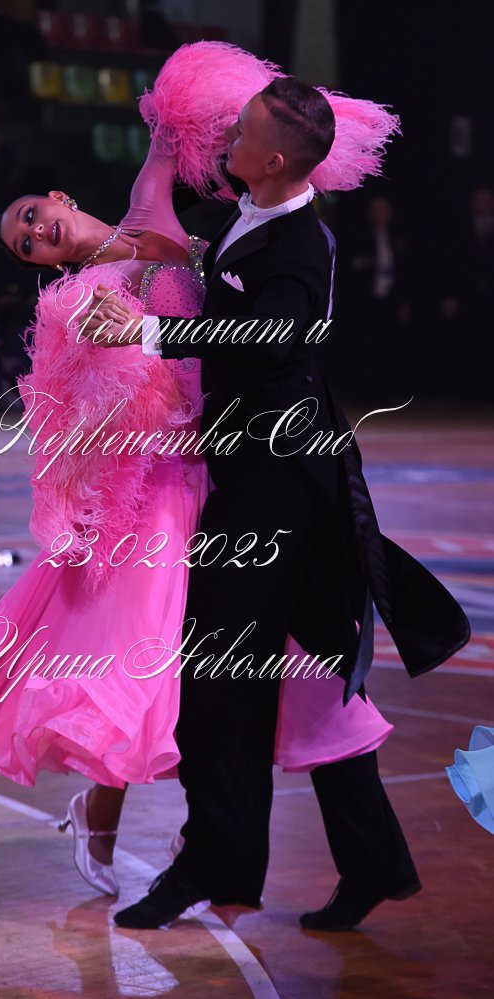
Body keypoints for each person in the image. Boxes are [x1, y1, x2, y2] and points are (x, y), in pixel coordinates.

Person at [0, 42, 413, 912]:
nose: (35, 233)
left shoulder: (234, 228)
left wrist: (181, 101)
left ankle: (228, 851)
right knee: (181, 672)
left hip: (255, 479)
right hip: (179, 485)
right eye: (24, 244)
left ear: (59, 197)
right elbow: (78, 421)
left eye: (31, 215)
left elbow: (264, 325)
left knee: (258, 675)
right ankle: (220, 847)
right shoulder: (78, 300)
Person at [80, 71, 470, 931]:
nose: (228, 139)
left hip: (277, 488)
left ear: (277, 160)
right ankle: (371, 862)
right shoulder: (245, 213)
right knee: (319, 686)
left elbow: (278, 336)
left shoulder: (300, 242)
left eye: (243, 132)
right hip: (270, 475)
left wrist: (152, 331)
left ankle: (212, 863)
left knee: (219, 675)